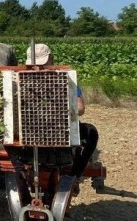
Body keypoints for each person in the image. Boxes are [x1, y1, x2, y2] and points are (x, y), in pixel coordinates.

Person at [26, 44, 97, 178]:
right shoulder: (65, 77)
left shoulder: (17, 78)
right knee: (92, 133)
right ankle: (75, 175)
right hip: (59, 132)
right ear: (51, 59)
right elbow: (80, 109)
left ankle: (20, 173)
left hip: (27, 134)